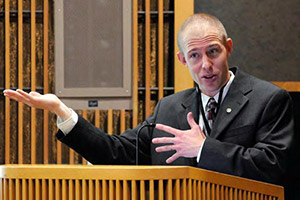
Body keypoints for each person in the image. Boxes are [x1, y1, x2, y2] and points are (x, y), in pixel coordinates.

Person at [3, 13, 293, 185]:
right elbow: (115, 154)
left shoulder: (268, 99)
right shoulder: (169, 108)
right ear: (182, 59)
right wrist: (63, 111)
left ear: (228, 48)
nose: (205, 64)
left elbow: (273, 166)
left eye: (213, 52)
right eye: (194, 56)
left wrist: (204, 148)